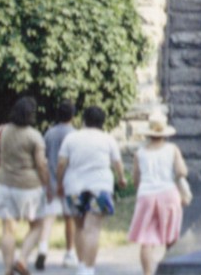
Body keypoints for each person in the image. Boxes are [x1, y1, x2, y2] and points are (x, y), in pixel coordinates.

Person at [57, 106, 127, 275]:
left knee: (79, 227)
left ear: (84, 120)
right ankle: (88, 269)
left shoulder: (71, 138)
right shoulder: (107, 139)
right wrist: (121, 178)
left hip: (74, 186)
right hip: (100, 186)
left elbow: (61, 164)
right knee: (93, 229)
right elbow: (117, 162)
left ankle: (81, 265)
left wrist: (59, 183)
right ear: (102, 122)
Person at [0, 96, 50, 275]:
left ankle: (8, 269)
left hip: (4, 183)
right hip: (29, 186)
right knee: (37, 225)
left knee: (8, 229)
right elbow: (41, 165)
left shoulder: (1, 131)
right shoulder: (34, 136)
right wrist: (47, 184)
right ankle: (22, 260)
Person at [127, 113, 190, 275]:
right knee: (171, 238)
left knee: (147, 240)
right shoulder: (172, 149)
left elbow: (136, 179)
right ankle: (172, 271)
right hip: (168, 193)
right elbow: (182, 171)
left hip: (147, 195)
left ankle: (148, 273)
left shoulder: (139, 153)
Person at [35, 101, 77, 270]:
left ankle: (43, 247)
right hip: (69, 182)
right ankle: (69, 253)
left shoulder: (49, 133)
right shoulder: (75, 134)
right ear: (72, 116)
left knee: (48, 217)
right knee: (70, 219)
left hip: (51, 180)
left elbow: (43, 158)